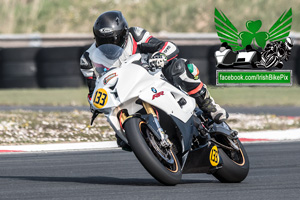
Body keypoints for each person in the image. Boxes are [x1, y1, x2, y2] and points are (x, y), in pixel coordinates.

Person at [80, 10, 228, 136]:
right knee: (122, 139)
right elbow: (93, 90)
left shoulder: (135, 35)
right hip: (124, 93)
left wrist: (161, 56)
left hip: (153, 75)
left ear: (124, 34)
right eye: (103, 41)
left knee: (181, 67)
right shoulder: (88, 59)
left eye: (113, 40)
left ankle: (209, 106)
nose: (109, 46)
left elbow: (168, 46)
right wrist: (95, 104)